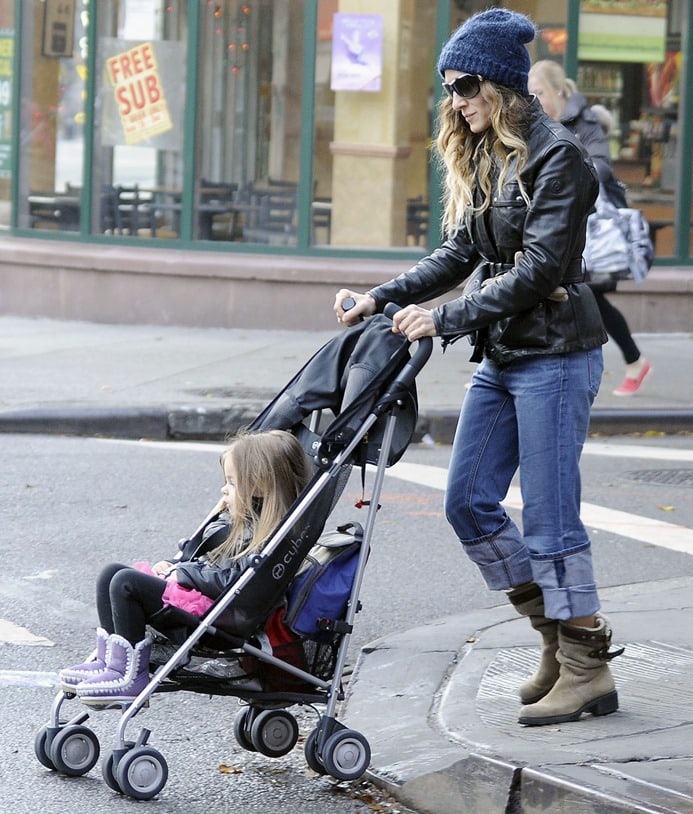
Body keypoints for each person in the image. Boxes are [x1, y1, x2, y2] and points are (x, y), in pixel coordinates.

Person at [334, 9, 623, 727]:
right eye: (449, 89)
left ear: (498, 83)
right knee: (468, 502)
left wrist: (445, 317)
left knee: (553, 521)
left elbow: (538, 270)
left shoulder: (559, 159)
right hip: (505, 354)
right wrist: (384, 295)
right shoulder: (490, 152)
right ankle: (555, 637)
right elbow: (460, 253)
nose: (455, 101)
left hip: (557, 356)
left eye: (464, 85)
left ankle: (586, 667)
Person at [58, 429, 311, 706]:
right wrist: (178, 565)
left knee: (125, 584)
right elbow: (207, 563)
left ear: (259, 487)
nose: (224, 489)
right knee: (111, 573)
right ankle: (111, 661)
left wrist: (184, 573)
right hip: (199, 598)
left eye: (232, 483)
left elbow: (232, 582)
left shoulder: (263, 536)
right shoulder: (238, 522)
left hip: (212, 616)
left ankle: (129, 675)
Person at [528, 59, 652, 396]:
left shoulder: (584, 121)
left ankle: (634, 361)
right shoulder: (534, 124)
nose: (534, 99)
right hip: (554, 227)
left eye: (539, 92)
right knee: (559, 293)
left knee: (584, 296)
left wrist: (560, 180)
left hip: (584, 229)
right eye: (530, 93)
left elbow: (601, 166)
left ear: (558, 89)